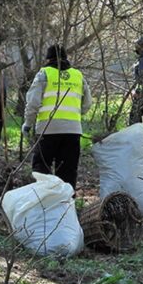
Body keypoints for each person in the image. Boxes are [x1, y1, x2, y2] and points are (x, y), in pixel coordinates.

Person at [22, 44, 92, 189]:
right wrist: (74, 115)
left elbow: (33, 103)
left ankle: (43, 204)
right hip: (73, 131)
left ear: (48, 59)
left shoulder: (44, 74)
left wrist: (28, 124)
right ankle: (67, 206)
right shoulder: (78, 75)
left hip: (47, 131)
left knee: (42, 171)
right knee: (68, 172)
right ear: (66, 58)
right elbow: (87, 104)